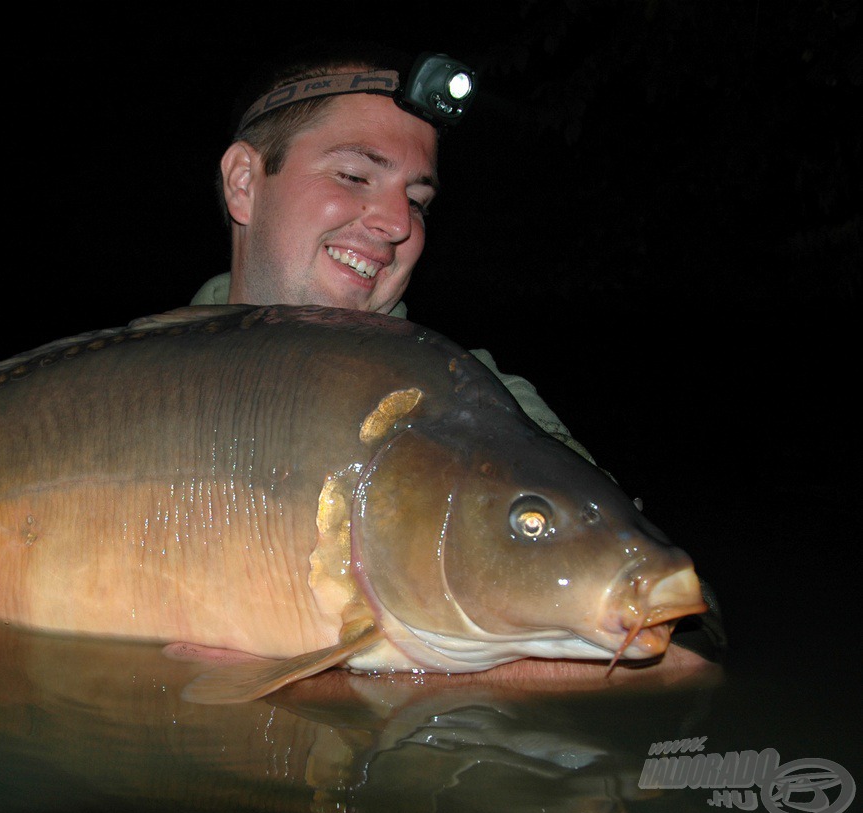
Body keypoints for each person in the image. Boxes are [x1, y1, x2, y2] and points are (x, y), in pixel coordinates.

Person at [190, 40, 725, 673]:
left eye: (417, 201)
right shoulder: (101, 383)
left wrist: (320, 689)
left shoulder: (466, 402)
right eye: (355, 176)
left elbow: (688, 643)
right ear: (245, 184)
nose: (397, 224)